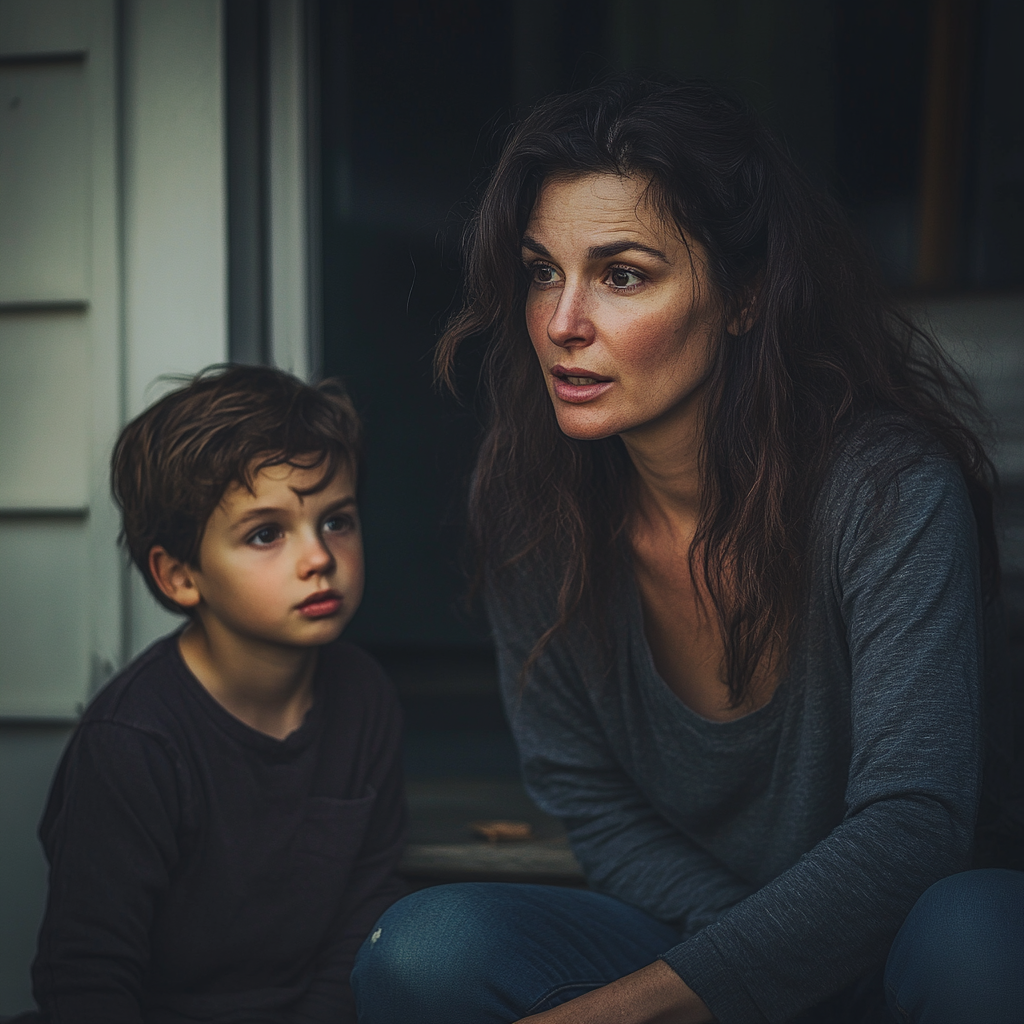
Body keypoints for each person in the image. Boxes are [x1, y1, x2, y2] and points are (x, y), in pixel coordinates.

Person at [350, 77, 1024, 1023]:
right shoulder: (532, 507)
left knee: (985, 931)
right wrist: (742, 975)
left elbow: (917, 826)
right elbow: (592, 803)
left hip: (905, 947)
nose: (561, 323)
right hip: (702, 928)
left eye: (621, 274)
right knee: (422, 950)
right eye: (544, 270)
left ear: (746, 297)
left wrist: (634, 1010)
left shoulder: (884, 491)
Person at [25, 366, 407, 1024]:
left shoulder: (363, 698)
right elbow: (87, 971)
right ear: (179, 576)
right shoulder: (134, 742)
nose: (318, 556)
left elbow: (362, 916)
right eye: (266, 533)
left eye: (336, 521)